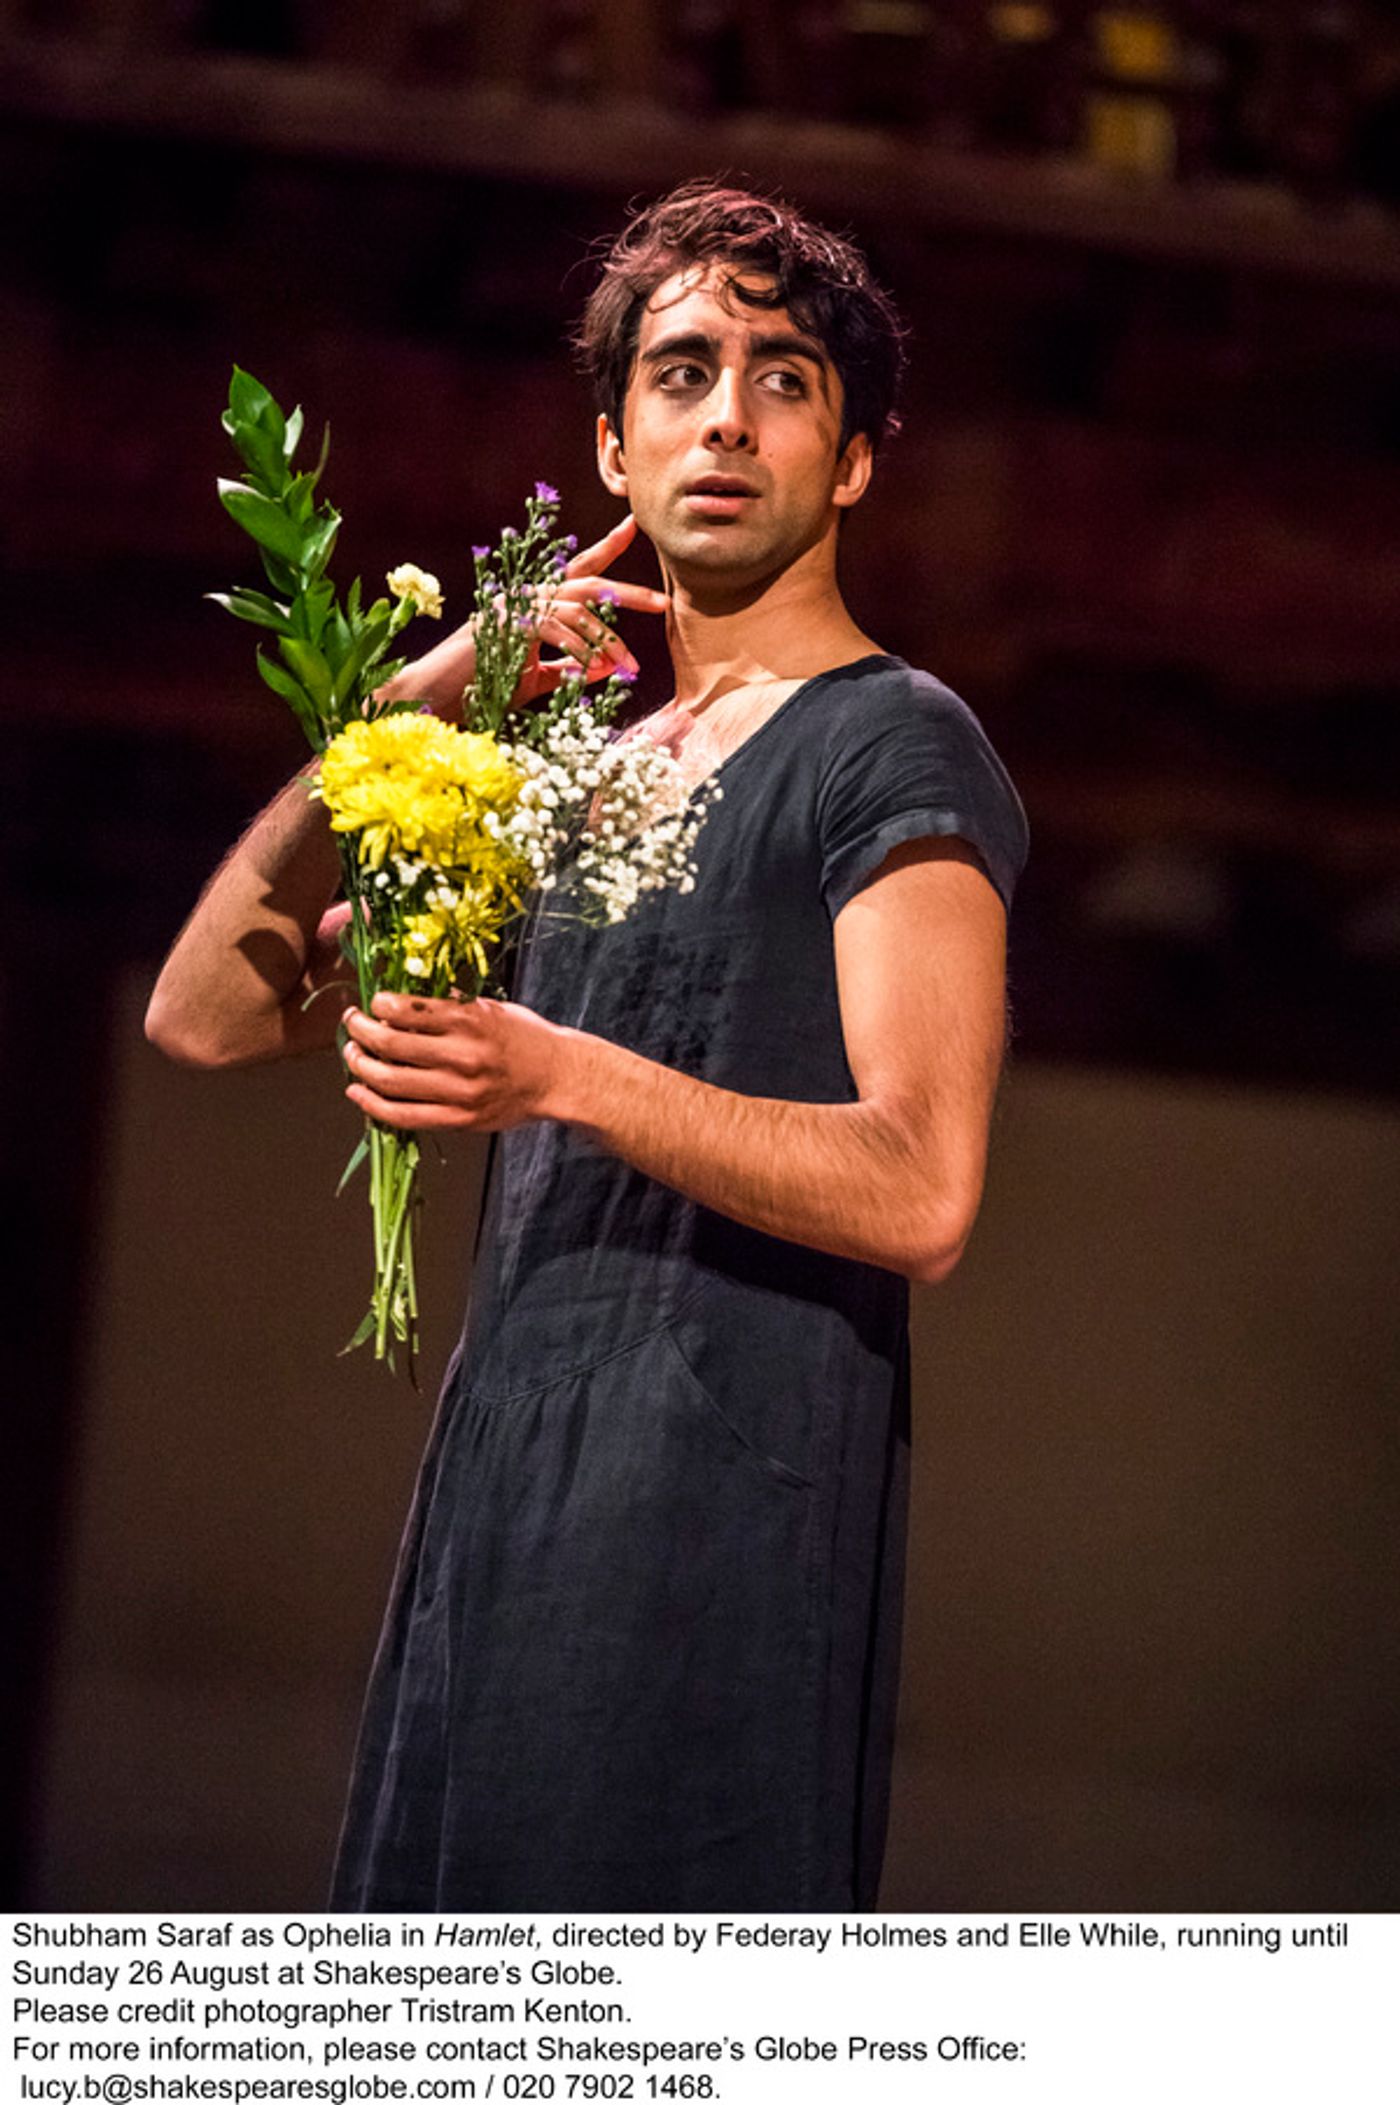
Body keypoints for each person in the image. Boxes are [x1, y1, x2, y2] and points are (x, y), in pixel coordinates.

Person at [146, 180, 1029, 1911]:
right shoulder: (556, 777)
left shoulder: (892, 742)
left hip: (719, 1521)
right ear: (615, 449)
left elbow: (923, 1185)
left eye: (784, 382)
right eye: (683, 374)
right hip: (500, 1507)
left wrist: (560, 1074)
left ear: (855, 461)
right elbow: (207, 1008)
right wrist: (420, 698)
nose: (728, 417)